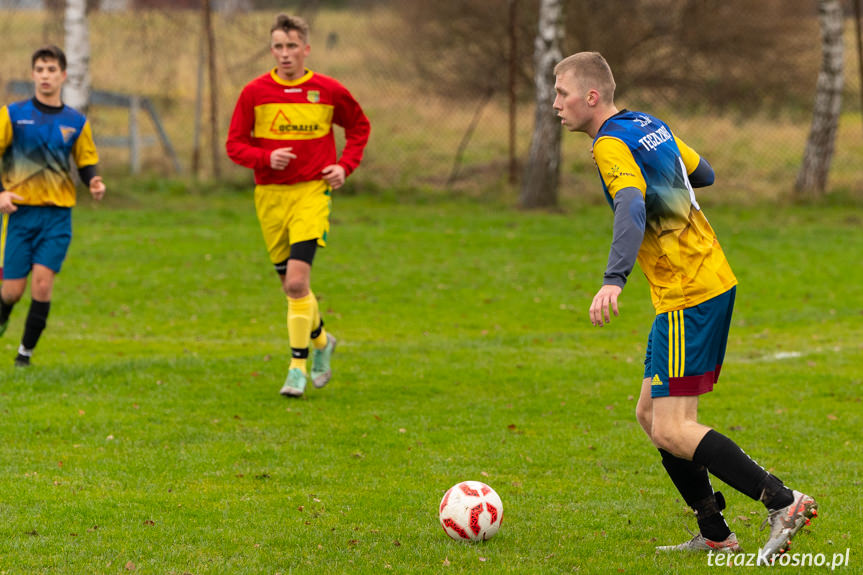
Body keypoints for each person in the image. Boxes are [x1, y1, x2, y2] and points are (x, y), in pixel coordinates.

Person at [553, 52, 817, 561]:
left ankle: (783, 502)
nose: (555, 103)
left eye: (562, 93)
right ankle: (716, 532)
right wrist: (663, 186)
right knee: (651, 415)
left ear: (591, 97)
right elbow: (704, 173)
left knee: (674, 427)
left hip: (688, 291)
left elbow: (630, 204)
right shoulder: (646, 124)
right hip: (705, 278)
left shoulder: (609, 144)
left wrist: (613, 279)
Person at [226, 14, 370, 398]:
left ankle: (296, 368)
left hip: (311, 192)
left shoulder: (328, 90)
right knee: (294, 291)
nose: (285, 54)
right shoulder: (254, 92)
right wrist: (263, 157)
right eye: (278, 46)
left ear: (306, 49)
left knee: (296, 282)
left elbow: (358, 127)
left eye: (292, 46)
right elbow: (234, 145)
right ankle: (323, 342)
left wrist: (344, 166)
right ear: (271, 49)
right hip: (270, 199)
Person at [0, 45, 106, 367]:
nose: (45, 76)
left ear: (63, 75)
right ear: (33, 74)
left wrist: (94, 181)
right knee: (12, 292)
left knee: (43, 285)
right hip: (20, 213)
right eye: (40, 70)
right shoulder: (12, 115)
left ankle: (24, 356)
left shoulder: (76, 122)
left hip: (57, 217)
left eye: (51, 70)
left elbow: (87, 161)